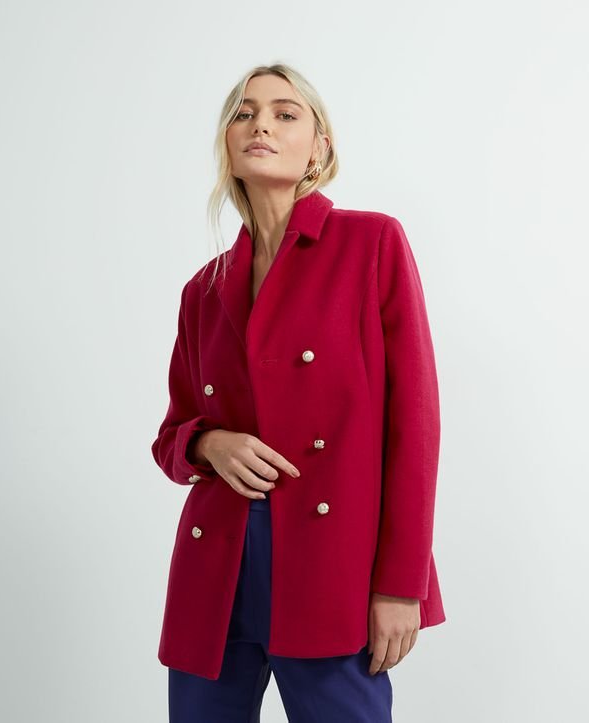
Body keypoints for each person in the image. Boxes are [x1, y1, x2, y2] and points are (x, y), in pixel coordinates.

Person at [151, 63, 446, 722]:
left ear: (319, 147)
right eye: (244, 112)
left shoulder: (371, 243)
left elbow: (416, 426)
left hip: (332, 568)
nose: (260, 124)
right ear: (228, 142)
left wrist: (402, 585)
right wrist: (209, 442)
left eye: (285, 113)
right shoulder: (204, 289)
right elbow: (170, 438)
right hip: (218, 570)